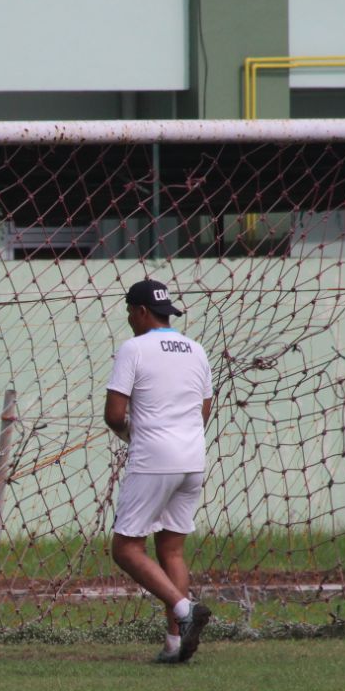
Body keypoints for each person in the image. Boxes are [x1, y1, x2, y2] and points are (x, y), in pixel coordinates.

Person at [104, 279, 214, 664]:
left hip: (154, 459)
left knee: (126, 547)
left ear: (139, 312)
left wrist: (132, 435)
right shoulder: (195, 350)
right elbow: (205, 408)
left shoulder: (133, 349)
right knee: (172, 549)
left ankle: (185, 612)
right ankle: (174, 644)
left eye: (130, 315)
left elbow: (114, 415)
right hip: (193, 459)